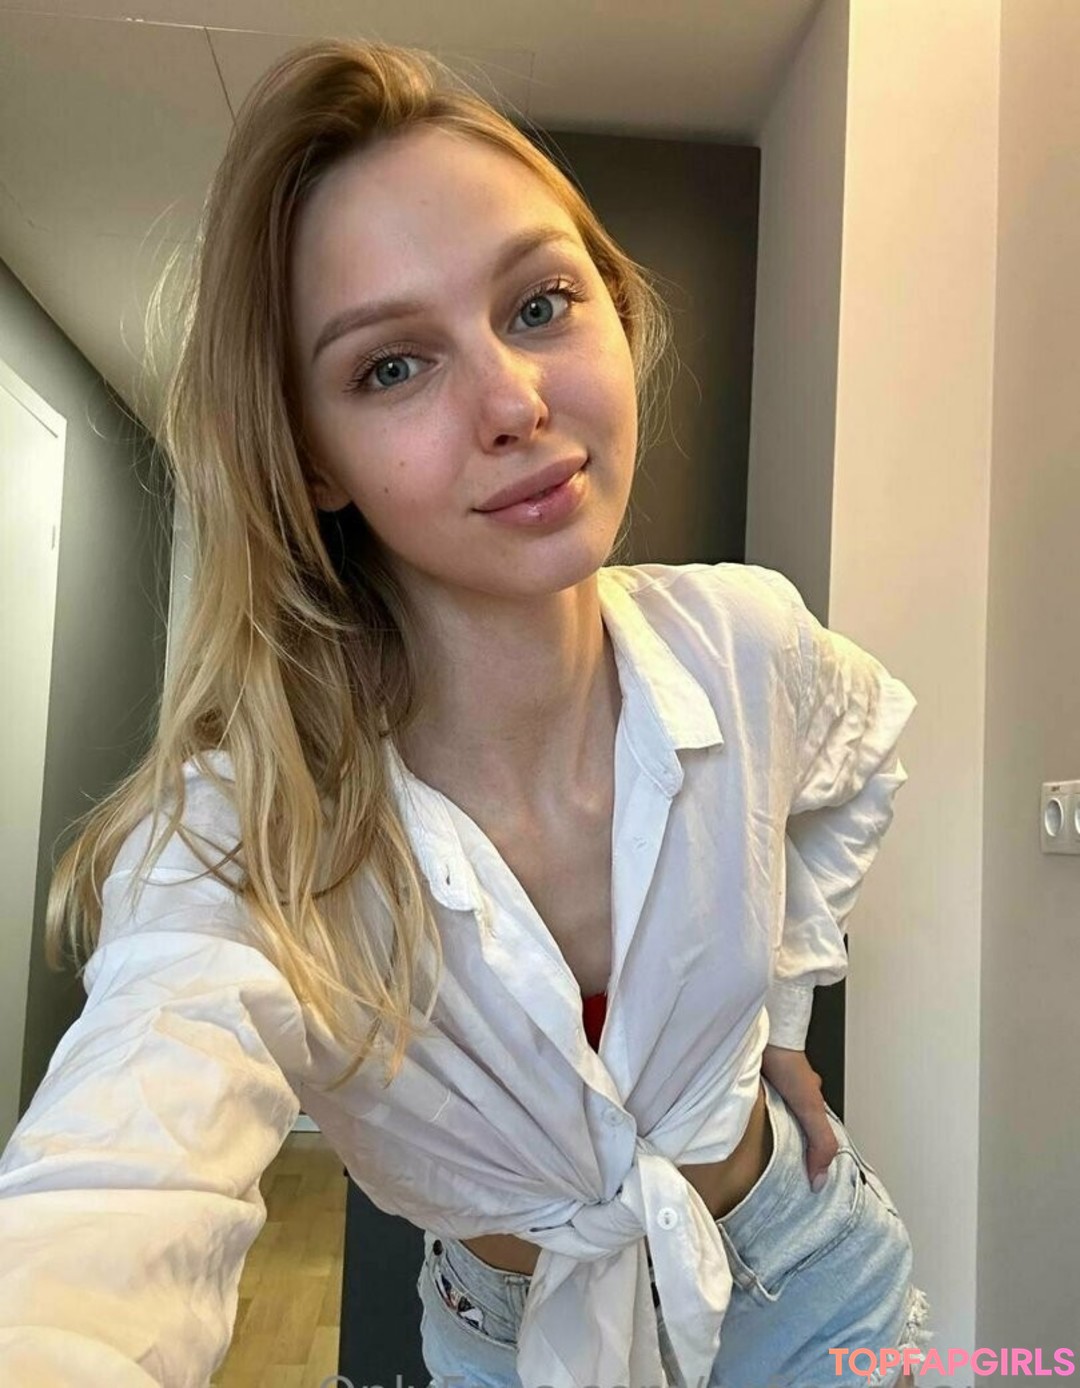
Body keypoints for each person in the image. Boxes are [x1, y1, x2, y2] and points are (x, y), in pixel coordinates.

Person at [0, 37, 932, 1388]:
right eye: (393, 367)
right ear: (312, 458)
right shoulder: (246, 828)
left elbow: (859, 760)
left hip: (814, 1278)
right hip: (512, 1345)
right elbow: (107, 1199)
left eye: (541, 304)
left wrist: (782, 1018)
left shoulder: (747, 639)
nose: (513, 401)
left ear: (615, 311)